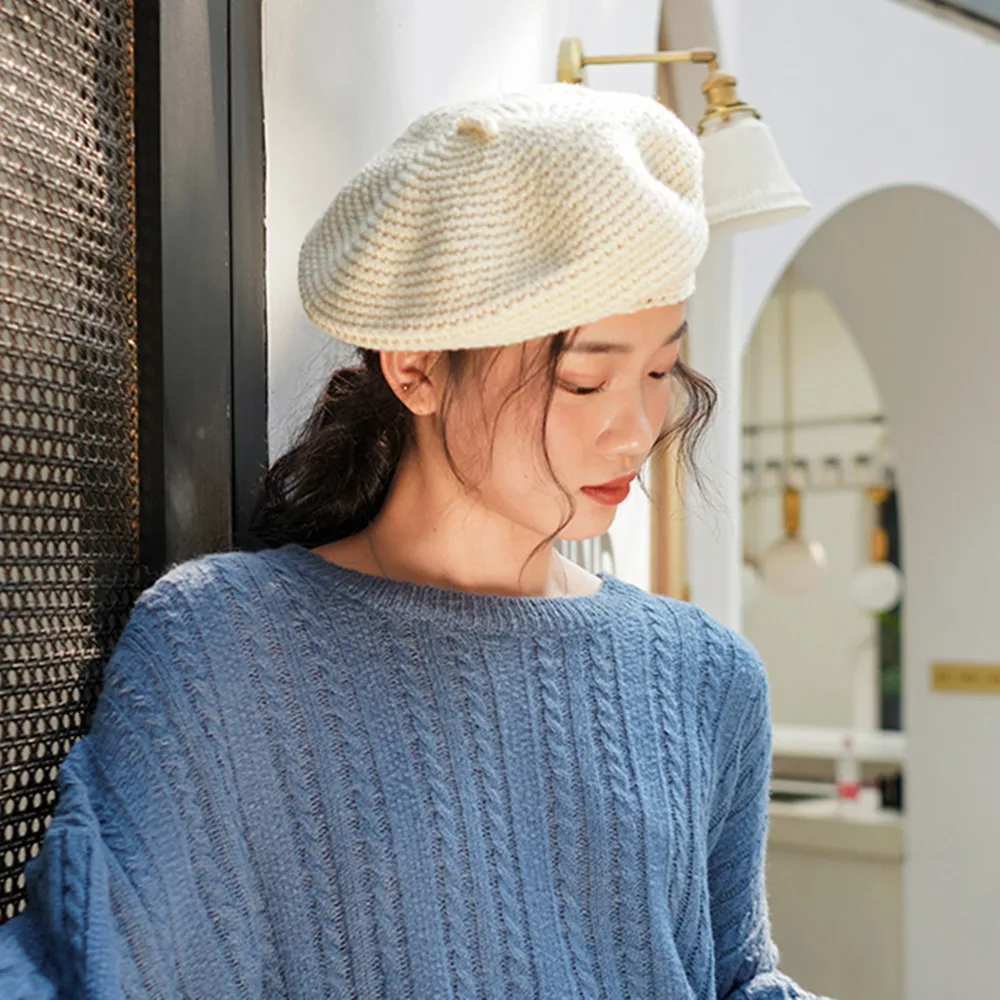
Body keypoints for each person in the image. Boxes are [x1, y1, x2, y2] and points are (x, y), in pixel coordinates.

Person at [0, 84, 831, 999]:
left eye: (663, 370)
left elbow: (738, 978)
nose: (637, 431)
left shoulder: (705, 677)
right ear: (417, 368)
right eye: (585, 382)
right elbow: (94, 970)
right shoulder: (223, 648)